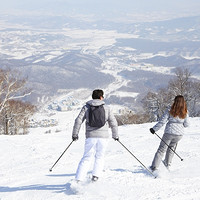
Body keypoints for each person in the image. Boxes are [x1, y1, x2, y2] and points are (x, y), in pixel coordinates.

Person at [72, 89, 119, 182]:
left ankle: (78, 180)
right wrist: (115, 135)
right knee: (99, 156)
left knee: (86, 157)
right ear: (101, 97)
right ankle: (95, 177)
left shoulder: (86, 107)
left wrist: (75, 134)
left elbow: (78, 120)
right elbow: (113, 122)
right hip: (103, 137)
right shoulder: (107, 108)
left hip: (90, 136)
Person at [149, 95, 189, 171]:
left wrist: (154, 129)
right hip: (179, 135)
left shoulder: (170, 110)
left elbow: (162, 121)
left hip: (169, 133)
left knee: (161, 149)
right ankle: (167, 164)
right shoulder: (185, 112)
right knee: (171, 148)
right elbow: (187, 124)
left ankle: (154, 167)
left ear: (175, 101)